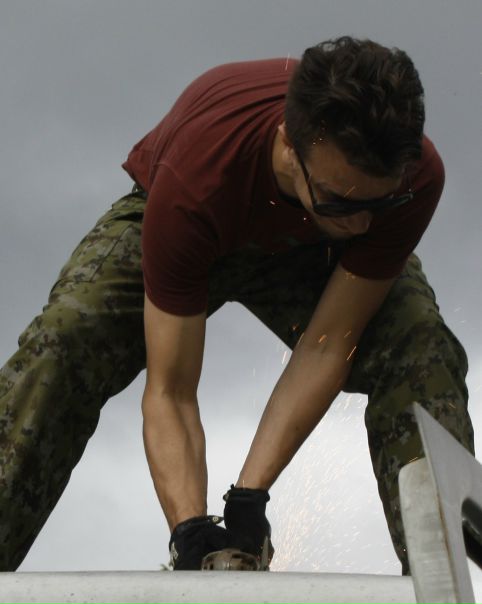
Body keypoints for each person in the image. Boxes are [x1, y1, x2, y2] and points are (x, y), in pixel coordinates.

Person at [0, 36, 474, 574]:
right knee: (65, 339)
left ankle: (441, 575)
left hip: (317, 248)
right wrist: (190, 530)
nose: (364, 223)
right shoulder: (196, 181)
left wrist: (249, 497)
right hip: (197, 216)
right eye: (342, 200)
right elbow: (171, 391)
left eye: (379, 203)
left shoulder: (414, 178)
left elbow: (328, 345)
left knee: (420, 347)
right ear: (289, 147)